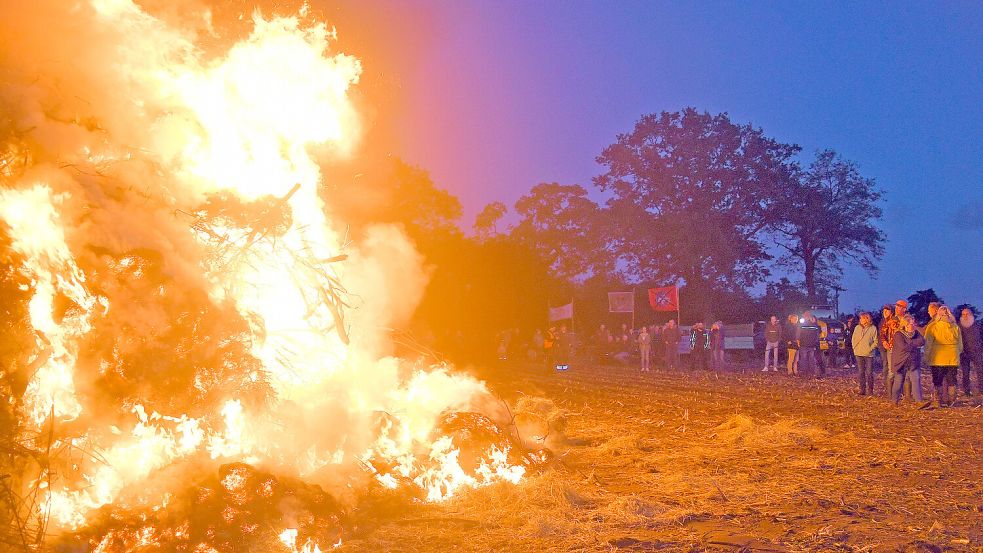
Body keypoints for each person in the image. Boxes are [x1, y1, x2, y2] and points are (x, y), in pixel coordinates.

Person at [924, 305, 963, 408]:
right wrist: (956, 353)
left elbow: (928, 344)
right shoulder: (955, 327)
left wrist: (926, 356)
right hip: (952, 357)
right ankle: (951, 401)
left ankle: (938, 401)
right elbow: (960, 345)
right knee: (952, 380)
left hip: (938, 357)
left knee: (937, 380)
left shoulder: (932, 326)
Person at [890, 314, 924, 406]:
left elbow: (922, 341)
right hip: (901, 361)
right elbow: (904, 347)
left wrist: (911, 343)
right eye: (910, 324)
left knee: (916, 379)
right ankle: (894, 401)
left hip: (913, 361)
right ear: (905, 324)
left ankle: (919, 402)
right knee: (898, 381)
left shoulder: (916, 333)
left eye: (913, 323)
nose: (912, 325)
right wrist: (915, 344)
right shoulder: (898, 334)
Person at [852, 312, 878, 396]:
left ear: (867, 319)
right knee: (861, 372)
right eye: (860, 318)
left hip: (869, 354)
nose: (861, 320)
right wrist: (855, 347)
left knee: (869, 372)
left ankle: (870, 390)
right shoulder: (857, 328)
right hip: (858, 353)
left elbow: (876, 341)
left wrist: (870, 349)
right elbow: (854, 338)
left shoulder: (873, 328)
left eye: (862, 318)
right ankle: (862, 389)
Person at [958, 308, 982, 397]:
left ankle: (981, 390)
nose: (965, 316)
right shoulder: (958, 326)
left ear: (971, 314)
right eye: (963, 314)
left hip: (977, 352)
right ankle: (966, 391)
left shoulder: (978, 325)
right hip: (964, 353)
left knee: (980, 371)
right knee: (965, 373)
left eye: (967, 314)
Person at [878, 305, 898, 397]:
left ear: (892, 312)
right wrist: (883, 342)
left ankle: (893, 388)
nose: (885, 312)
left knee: (892, 367)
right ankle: (888, 386)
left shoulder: (894, 320)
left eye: (887, 310)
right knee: (886, 366)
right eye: (884, 310)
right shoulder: (882, 321)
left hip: (891, 347)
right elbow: (881, 334)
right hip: (883, 347)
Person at [796, 312, 821, 377]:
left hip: (803, 344)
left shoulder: (801, 325)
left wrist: (798, 341)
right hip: (812, 345)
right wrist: (815, 343)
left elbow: (798, 334)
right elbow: (817, 336)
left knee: (803, 359)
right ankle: (812, 372)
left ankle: (804, 372)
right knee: (811, 359)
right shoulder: (814, 325)